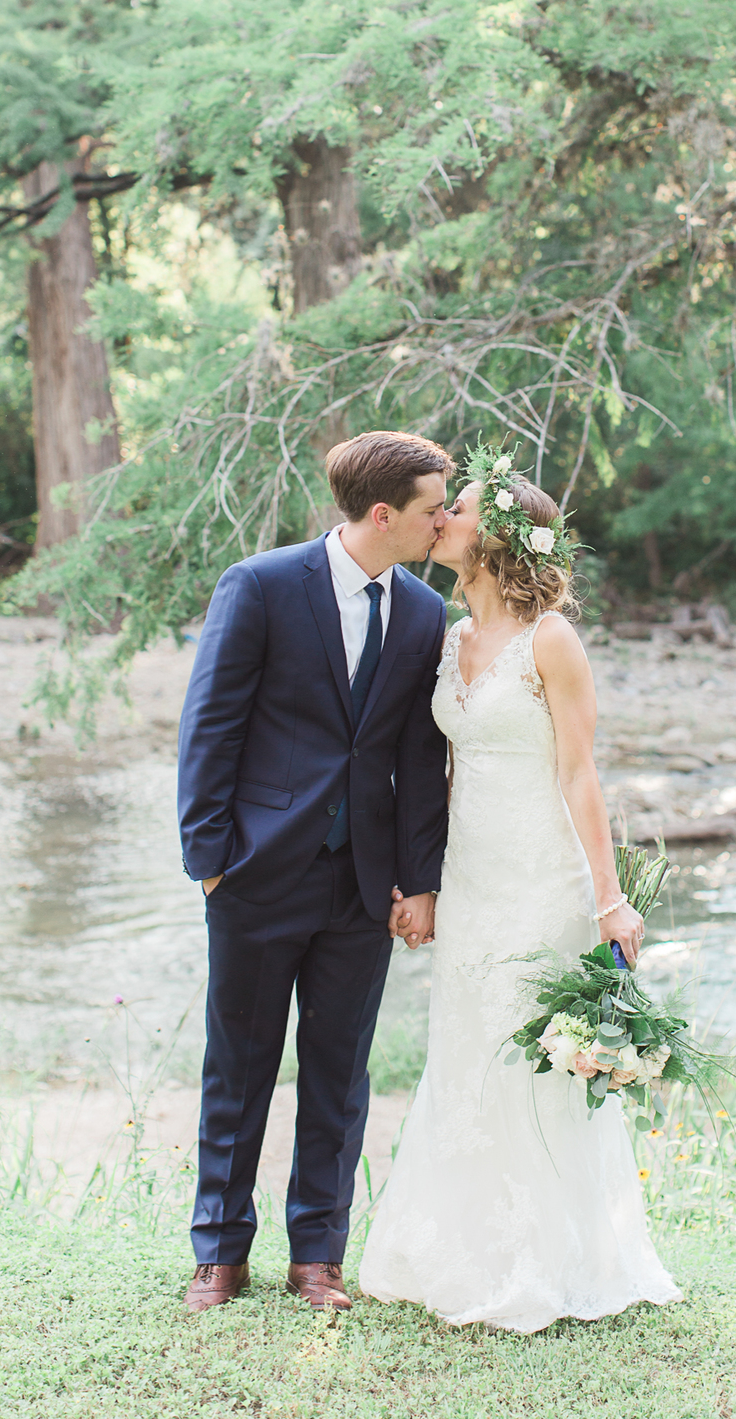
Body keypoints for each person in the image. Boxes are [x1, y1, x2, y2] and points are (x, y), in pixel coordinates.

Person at [356, 452, 681, 1330]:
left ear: (494, 535)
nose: (441, 521)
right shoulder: (446, 636)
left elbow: (580, 774)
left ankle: (548, 1257)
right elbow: (440, 772)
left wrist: (611, 900)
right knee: (466, 1049)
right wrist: (418, 879)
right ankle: (458, 1248)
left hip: (542, 874)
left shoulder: (552, 640)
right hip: (470, 874)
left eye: (455, 510)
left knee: (530, 1058)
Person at [176, 429, 455, 1312]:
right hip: (257, 875)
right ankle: (219, 1253)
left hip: (361, 889)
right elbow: (208, 728)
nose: (442, 521)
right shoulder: (259, 585)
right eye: (430, 508)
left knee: (339, 1072)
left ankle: (317, 1257)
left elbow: (419, 757)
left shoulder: (421, 612)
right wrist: (211, 862)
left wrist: (419, 881)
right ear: (383, 514)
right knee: (241, 1067)